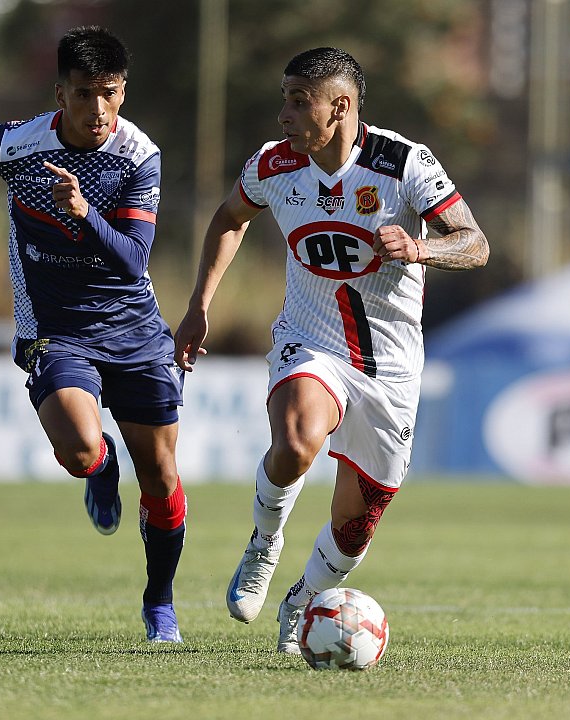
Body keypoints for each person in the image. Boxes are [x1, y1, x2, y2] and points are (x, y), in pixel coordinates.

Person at [174, 47, 489, 653]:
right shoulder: (274, 166)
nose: (284, 115)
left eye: (299, 101)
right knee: (295, 443)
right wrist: (199, 304)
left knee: (354, 524)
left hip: (393, 366)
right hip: (311, 339)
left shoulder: (404, 166)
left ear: (339, 106)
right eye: (285, 99)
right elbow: (228, 218)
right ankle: (264, 544)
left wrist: (421, 249)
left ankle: (300, 602)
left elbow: (474, 243)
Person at [0, 26, 187, 643]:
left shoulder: (139, 155)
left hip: (133, 328)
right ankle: (101, 470)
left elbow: (135, 259)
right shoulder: (18, 144)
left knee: (161, 475)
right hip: (56, 328)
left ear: (123, 91)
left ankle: (159, 601)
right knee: (82, 449)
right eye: (84, 94)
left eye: (109, 93)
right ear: (60, 93)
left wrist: (84, 218)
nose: (97, 109)